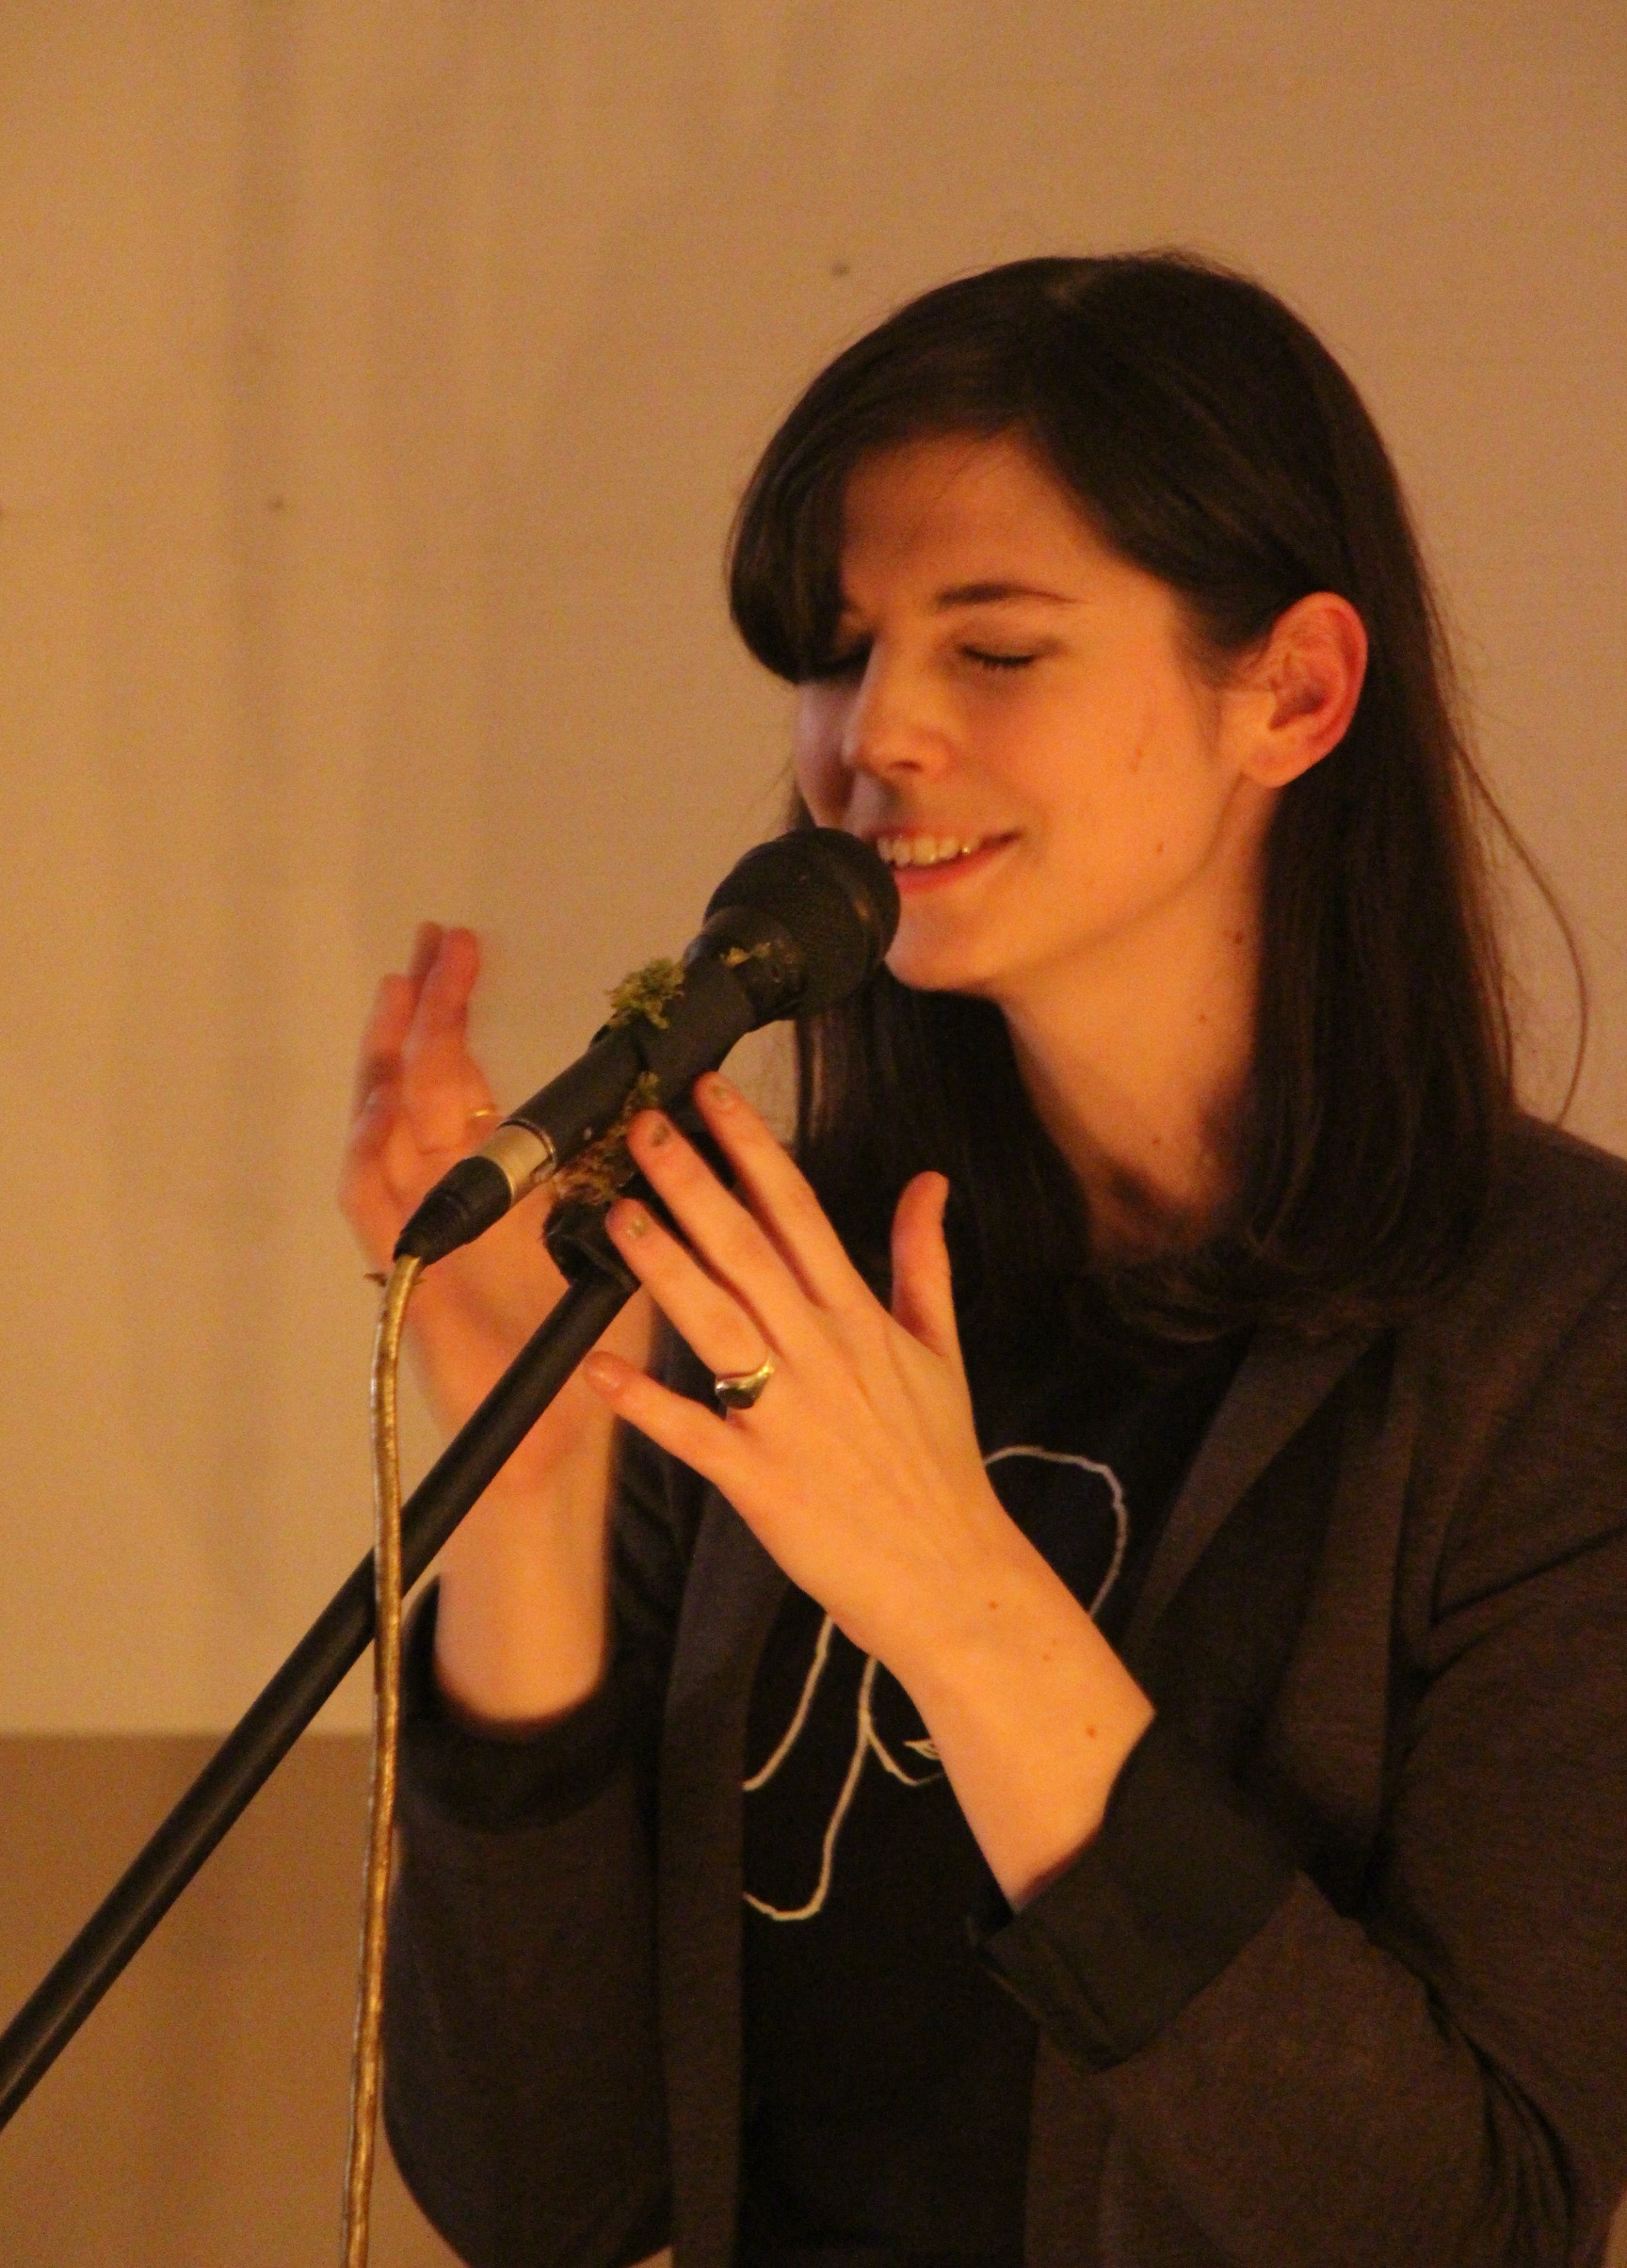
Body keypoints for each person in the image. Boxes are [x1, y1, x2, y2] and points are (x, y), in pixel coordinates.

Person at [341, 254, 1627, 2268]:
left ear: (1294, 692)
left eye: (997, 649)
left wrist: (956, 1595)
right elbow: (541, 2194)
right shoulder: (779, 1272)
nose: (879, 738)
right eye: (838, 656)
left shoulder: (1565, 1334)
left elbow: (1465, 2222)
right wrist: (535, 1465)